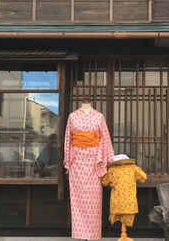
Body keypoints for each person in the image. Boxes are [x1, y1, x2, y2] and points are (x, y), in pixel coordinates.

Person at [63, 97, 115, 240]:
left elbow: (105, 138)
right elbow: (68, 138)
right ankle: (80, 234)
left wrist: (110, 160)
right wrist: (67, 159)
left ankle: (92, 235)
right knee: (78, 200)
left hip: (94, 163)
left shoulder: (99, 116)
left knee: (94, 201)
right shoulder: (72, 116)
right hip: (77, 163)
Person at [102, 154, 147, 227]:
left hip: (117, 200)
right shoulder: (133, 168)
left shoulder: (112, 170)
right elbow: (143, 177)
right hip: (129, 201)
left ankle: (122, 233)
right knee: (128, 213)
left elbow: (104, 182)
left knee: (117, 212)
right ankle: (124, 233)